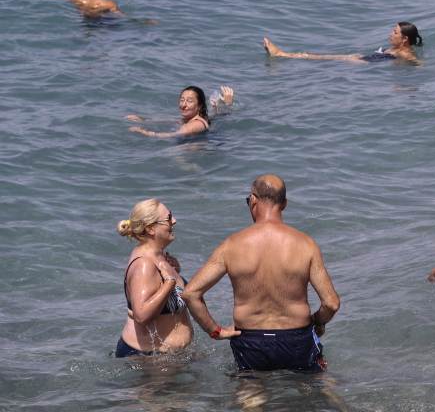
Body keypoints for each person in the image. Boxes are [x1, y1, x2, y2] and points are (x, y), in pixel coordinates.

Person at [182, 175, 340, 373]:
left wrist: (215, 331)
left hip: (250, 341)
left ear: (253, 200)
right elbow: (331, 303)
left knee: (250, 394)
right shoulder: (306, 244)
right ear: (284, 204)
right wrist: (317, 321)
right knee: (310, 392)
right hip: (296, 338)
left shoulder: (232, 245)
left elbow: (190, 293)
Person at [116, 198, 192, 357]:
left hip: (165, 358)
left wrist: (175, 273)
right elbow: (141, 315)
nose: (175, 221)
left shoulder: (159, 257)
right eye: (169, 218)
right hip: (147, 359)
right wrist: (170, 283)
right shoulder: (144, 265)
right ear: (151, 229)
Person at [263, 22, 422, 65]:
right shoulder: (397, 49)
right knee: (323, 57)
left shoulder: (404, 52)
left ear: (404, 39)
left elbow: (415, 62)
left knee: (324, 58)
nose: (390, 34)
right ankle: (283, 54)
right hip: (364, 59)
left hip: (362, 63)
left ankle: (281, 54)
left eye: (395, 32)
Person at [127, 85, 235, 138]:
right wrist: (143, 120)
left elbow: (173, 135)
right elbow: (169, 120)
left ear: (199, 106)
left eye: (189, 101)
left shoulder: (196, 124)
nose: (183, 104)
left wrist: (144, 132)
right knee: (216, 114)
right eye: (182, 100)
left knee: (175, 155)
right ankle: (225, 104)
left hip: (201, 147)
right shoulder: (188, 119)